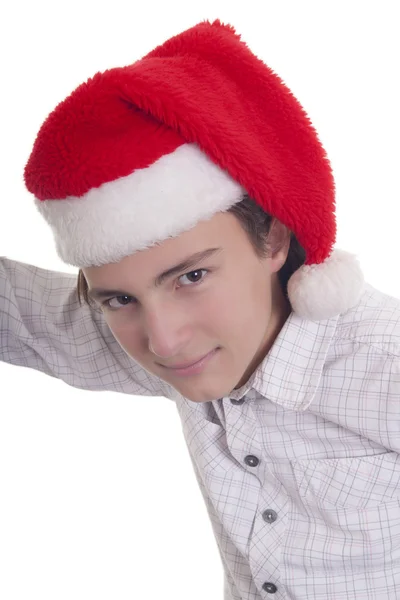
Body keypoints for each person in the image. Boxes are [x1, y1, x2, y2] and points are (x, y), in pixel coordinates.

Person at [1, 18, 400, 599]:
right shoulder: (169, 344)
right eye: (120, 299)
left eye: (191, 276)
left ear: (275, 241)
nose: (162, 343)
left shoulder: (384, 364)